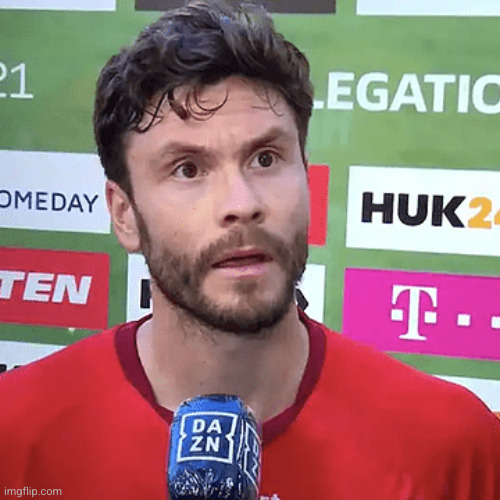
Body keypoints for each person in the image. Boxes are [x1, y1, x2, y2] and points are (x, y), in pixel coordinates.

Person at [1, 1, 499, 498]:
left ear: (306, 175)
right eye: (188, 169)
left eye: (265, 158)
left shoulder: (452, 447)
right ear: (124, 213)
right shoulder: (15, 433)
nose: (241, 205)